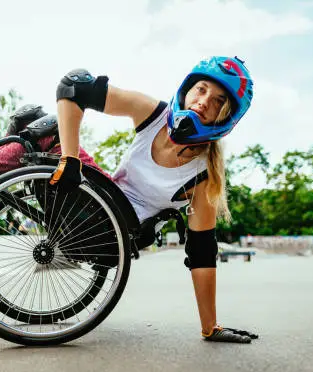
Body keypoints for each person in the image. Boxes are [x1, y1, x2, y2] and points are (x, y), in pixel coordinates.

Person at [49, 56, 258, 343]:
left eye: (219, 100)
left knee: (47, 128)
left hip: (117, 230)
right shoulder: (153, 114)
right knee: (33, 123)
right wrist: (69, 159)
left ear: (226, 116)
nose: (205, 100)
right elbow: (73, 86)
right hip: (99, 196)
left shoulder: (202, 177)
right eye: (201, 89)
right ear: (187, 89)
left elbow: (201, 253)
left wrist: (210, 327)